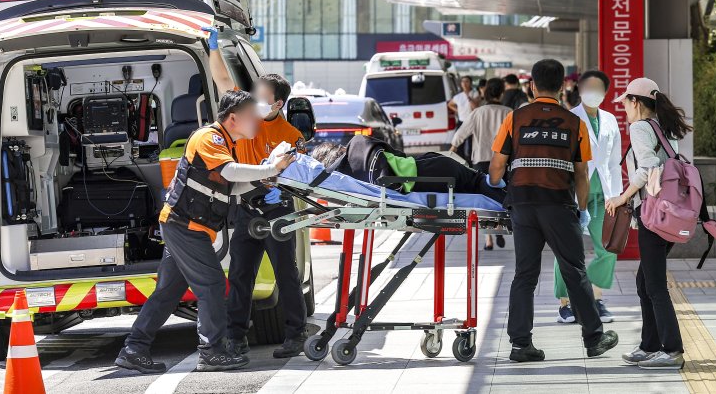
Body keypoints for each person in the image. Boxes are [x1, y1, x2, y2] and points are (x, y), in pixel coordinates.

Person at [115, 90, 296, 374]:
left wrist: (266, 180)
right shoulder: (209, 137)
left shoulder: (225, 143)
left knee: (168, 292)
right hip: (184, 226)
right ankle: (211, 351)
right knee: (212, 285)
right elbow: (229, 172)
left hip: (185, 226)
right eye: (251, 117)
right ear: (234, 119)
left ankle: (134, 349)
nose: (257, 123)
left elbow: (230, 185)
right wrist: (269, 167)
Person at [488, 59, 618, 363]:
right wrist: (582, 210)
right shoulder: (575, 124)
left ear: (532, 86)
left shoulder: (515, 119)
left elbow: (496, 167)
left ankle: (521, 345)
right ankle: (594, 339)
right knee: (574, 270)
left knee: (525, 274)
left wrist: (497, 182)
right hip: (559, 205)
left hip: (522, 205)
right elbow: (582, 173)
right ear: (562, 88)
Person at [605, 78, 691, 370]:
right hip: (669, 213)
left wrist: (621, 198)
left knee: (654, 284)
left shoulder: (641, 127)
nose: (624, 109)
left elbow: (647, 168)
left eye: (626, 103)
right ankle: (649, 345)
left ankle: (672, 350)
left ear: (637, 103)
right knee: (645, 281)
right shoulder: (663, 128)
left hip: (653, 216)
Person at [226, 74, 309, 359]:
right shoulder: (249, 119)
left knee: (286, 272)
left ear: (277, 103)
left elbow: (299, 175)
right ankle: (235, 338)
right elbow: (222, 78)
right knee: (240, 274)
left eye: (261, 96)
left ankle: (296, 334)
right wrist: (214, 48)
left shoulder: (291, 136)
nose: (254, 100)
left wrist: (281, 188)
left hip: (277, 208)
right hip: (247, 205)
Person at [553, 70, 622, 324]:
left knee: (608, 249)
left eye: (598, 87)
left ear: (605, 92)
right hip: (573, 194)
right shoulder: (569, 118)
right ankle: (565, 303)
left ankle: (594, 297)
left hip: (604, 194)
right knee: (567, 250)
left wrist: (618, 196)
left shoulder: (611, 120)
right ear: (580, 90)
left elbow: (615, 162)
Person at [310, 135, 506, 204]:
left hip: (429, 175)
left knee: (475, 183)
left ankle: (511, 205)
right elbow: (396, 153)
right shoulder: (359, 143)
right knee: (477, 181)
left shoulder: (348, 181)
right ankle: (512, 205)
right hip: (433, 170)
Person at [450, 78, 512, 250]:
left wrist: (452, 149)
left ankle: (489, 239)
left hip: (481, 162)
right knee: (501, 196)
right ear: (502, 93)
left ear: (484, 93)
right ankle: (499, 226)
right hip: (503, 162)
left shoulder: (478, 112)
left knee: (484, 199)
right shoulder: (509, 112)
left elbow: (461, 134)